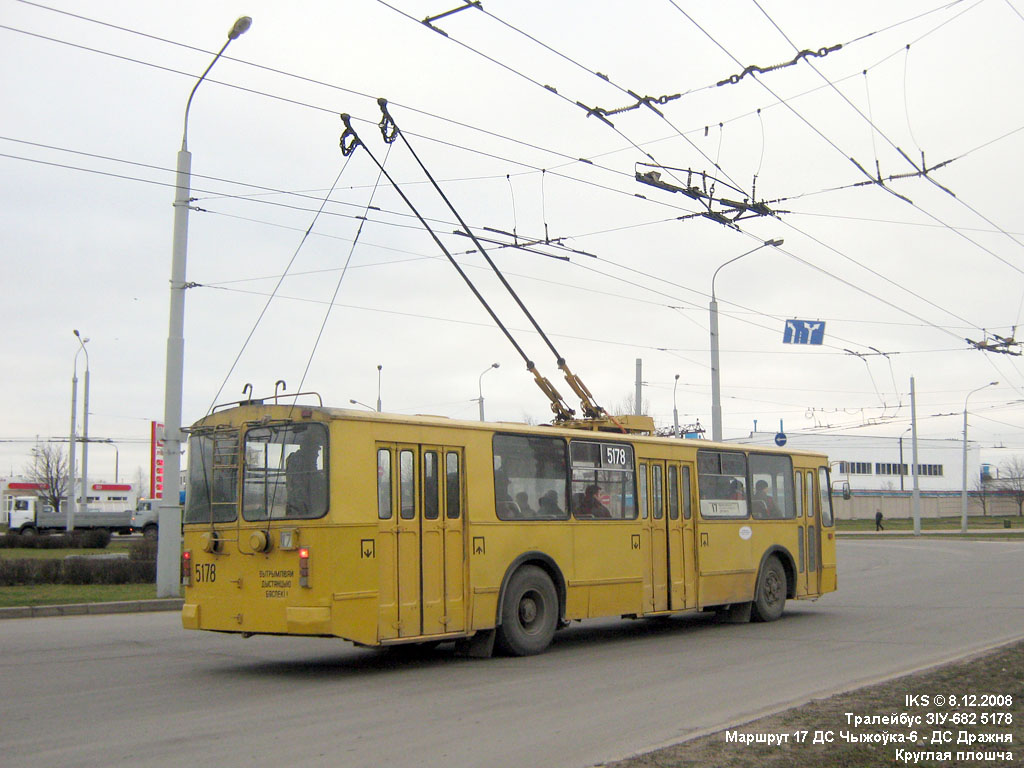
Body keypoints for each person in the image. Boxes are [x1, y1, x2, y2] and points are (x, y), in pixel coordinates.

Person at [286, 431, 320, 517]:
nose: (317, 454)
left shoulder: (296, 459)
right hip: (303, 507)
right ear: (308, 449)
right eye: (315, 450)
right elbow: (305, 484)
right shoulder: (301, 461)